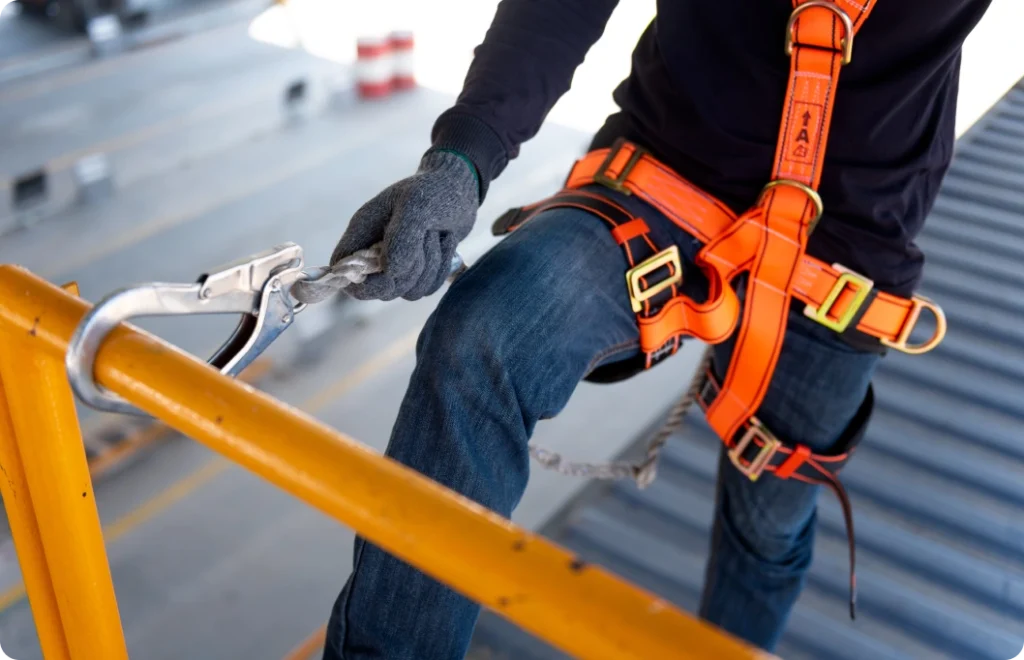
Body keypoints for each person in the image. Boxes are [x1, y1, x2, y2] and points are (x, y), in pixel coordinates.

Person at [319, 1, 991, 658]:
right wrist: (462, 159)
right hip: (665, 173)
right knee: (481, 340)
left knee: (767, 525)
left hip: (846, 248)